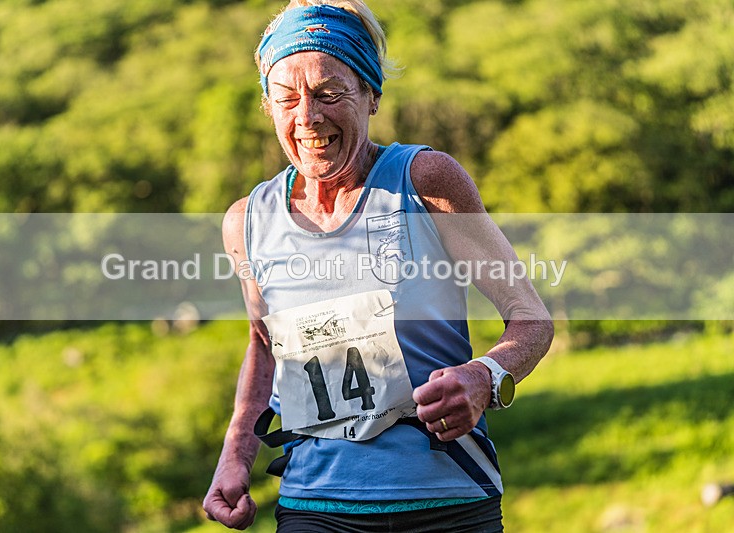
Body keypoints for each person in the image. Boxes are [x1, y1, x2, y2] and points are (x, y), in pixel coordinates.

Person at [203, 1, 554, 531]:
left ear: (371, 95)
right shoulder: (246, 222)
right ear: (268, 106)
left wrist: (485, 377)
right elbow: (262, 342)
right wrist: (235, 453)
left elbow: (531, 317)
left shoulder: (426, 181)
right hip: (313, 506)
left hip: (447, 501)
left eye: (328, 93)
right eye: (287, 99)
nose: (308, 117)